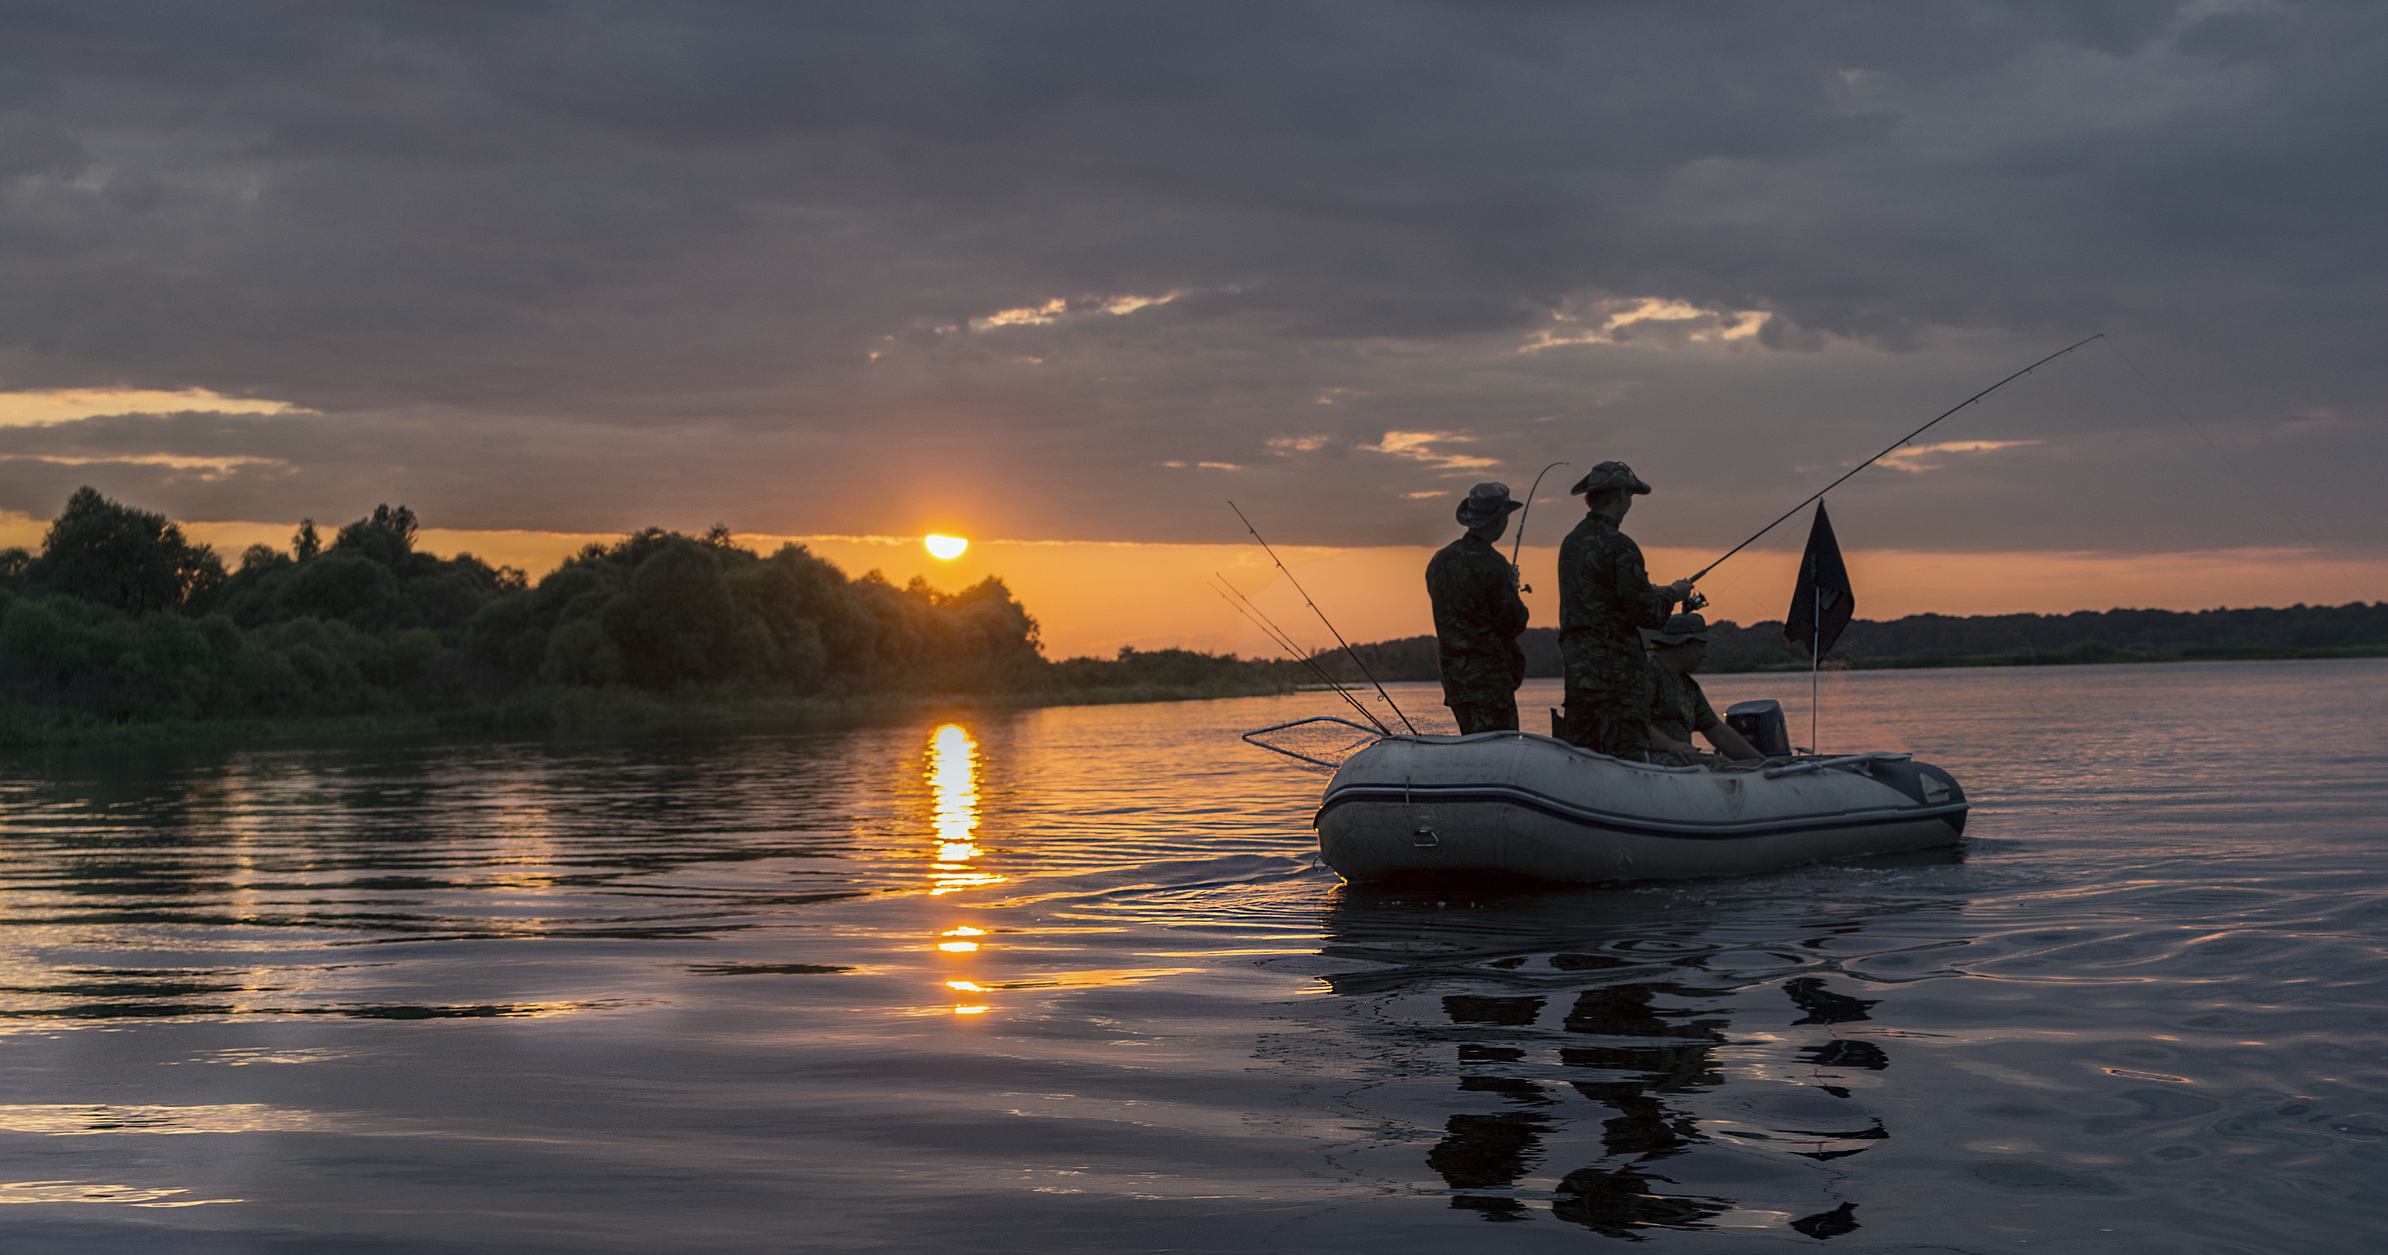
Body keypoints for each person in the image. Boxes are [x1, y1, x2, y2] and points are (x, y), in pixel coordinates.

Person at [1555, 461, 1696, 758]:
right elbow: (1650, 616)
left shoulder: (1571, 542)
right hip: (1617, 680)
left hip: (1579, 676)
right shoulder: (1621, 545)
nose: (1630, 501)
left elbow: (1600, 594)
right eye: (1630, 495)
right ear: (1620, 494)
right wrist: (1673, 593)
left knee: (1581, 759)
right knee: (1625, 758)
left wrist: (1650, 589)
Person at [1425, 482, 1530, 734]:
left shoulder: (1440, 560)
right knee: (1500, 757)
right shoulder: (1494, 564)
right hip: (1490, 683)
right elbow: (1514, 623)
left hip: (1455, 682)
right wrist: (1512, 587)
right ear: (1499, 520)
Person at [1644, 612, 1763, 765]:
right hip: (1641, 758)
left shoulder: (1687, 685)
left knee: (1731, 766)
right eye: (1701, 646)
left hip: (1677, 758)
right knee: (1715, 767)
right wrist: (1670, 745)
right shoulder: (1644, 670)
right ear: (1682, 644)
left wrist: (1761, 763)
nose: (1705, 654)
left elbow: (1718, 732)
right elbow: (1628, 721)